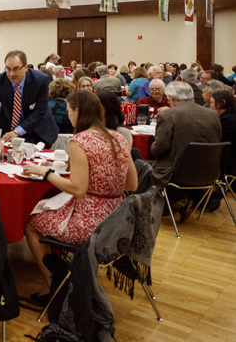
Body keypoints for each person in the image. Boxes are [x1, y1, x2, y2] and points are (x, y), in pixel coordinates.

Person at [22, 90, 137, 302]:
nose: (68, 115)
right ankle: (67, 269)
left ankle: (51, 284)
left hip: (90, 222)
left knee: (31, 223)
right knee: (50, 209)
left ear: (78, 111)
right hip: (117, 219)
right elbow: (132, 183)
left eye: (68, 110)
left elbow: (77, 189)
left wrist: (45, 173)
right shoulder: (118, 137)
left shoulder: (80, 141)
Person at [151, 82, 222, 215]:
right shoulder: (213, 115)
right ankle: (182, 199)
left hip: (178, 172)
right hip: (209, 171)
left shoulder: (168, 115)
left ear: (171, 97)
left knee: (143, 165)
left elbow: (158, 149)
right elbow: (217, 141)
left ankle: (162, 204)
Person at [0, 50, 59, 145]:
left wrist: (17, 131)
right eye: (8, 69)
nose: (11, 74)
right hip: (7, 131)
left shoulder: (40, 80)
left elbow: (40, 111)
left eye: (16, 69)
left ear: (26, 67)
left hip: (37, 131)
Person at [211, 90, 236, 177]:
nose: (211, 106)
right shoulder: (231, 116)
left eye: (213, 103)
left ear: (223, 102)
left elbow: (223, 142)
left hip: (228, 163)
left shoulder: (226, 119)